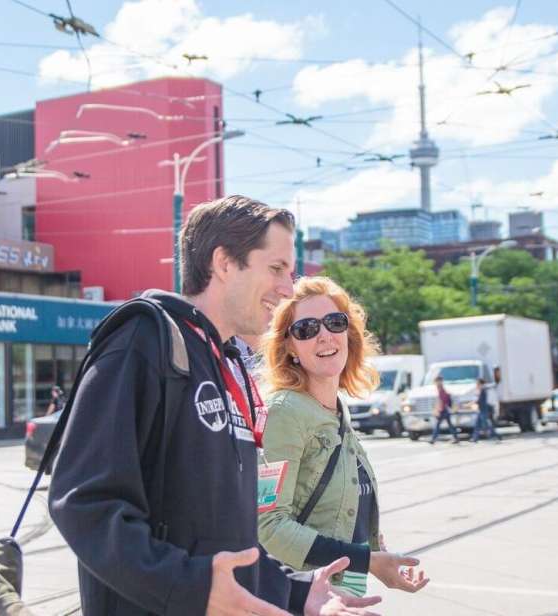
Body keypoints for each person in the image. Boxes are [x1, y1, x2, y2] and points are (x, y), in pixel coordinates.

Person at [48, 196, 381, 616]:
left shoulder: (229, 363)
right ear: (224, 263)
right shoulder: (145, 340)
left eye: (289, 271)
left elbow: (228, 545)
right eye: (276, 268)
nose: (286, 287)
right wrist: (189, 588)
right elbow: (82, 502)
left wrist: (296, 593)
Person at [257, 276, 430, 599]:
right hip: (302, 599)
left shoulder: (337, 410)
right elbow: (268, 527)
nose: (324, 335)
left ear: (348, 335)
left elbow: (344, 511)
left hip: (342, 599)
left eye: (334, 323)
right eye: (307, 329)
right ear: (290, 347)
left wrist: (382, 559)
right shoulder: (284, 412)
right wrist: (367, 561)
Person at [429, 376, 460, 444]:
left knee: (438, 425)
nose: (435, 383)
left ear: (439, 381)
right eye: (435, 381)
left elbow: (442, 400)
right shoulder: (441, 388)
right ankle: (455, 438)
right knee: (449, 425)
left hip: (443, 410)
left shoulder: (441, 389)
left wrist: (439, 410)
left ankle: (433, 439)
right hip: (445, 410)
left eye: (436, 381)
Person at [470, 377, 501, 443]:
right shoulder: (481, 390)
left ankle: (496, 436)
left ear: (481, 384)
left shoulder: (483, 390)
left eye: (478, 384)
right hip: (481, 410)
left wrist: (474, 402)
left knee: (486, 426)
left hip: (484, 410)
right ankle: (475, 438)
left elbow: (480, 400)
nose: (476, 385)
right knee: (477, 425)